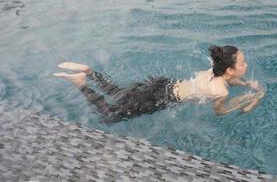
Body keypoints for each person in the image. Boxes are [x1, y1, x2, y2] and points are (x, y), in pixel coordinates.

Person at [53, 45, 265, 123]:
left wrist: (247, 84)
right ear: (229, 69)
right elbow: (220, 112)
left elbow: (231, 80)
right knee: (109, 116)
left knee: (117, 91)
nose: (245, 65)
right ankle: (81, 83)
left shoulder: (215, 70)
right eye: (243, 62)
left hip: (162, 84)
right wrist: (249, 98)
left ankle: (89, 72)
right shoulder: (220, 90)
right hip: (163, 98)